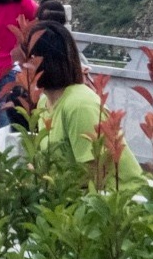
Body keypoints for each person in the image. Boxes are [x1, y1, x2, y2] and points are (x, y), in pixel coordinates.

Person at [32, 21, 146, 188]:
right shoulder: (44, 102)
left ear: (44, 60)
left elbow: (92, 173)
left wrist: (41, 178)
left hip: (120, 206)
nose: (16, 61)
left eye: (25, 55)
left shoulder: (79, 105)